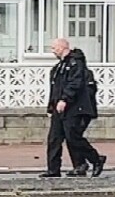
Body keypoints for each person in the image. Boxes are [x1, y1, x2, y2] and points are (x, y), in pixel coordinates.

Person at [42, 38, 106, 178]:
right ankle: (53, 169)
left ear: (62, 47)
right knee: (54, 139)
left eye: (54, 48)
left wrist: (65, 99)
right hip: (60, 108)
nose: (53, 51)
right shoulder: (58, 67)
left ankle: (95, 159)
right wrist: (51, 106)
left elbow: (74, 84)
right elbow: (55, 89)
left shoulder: (75, 64)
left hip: (75, 107)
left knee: (73, 137)